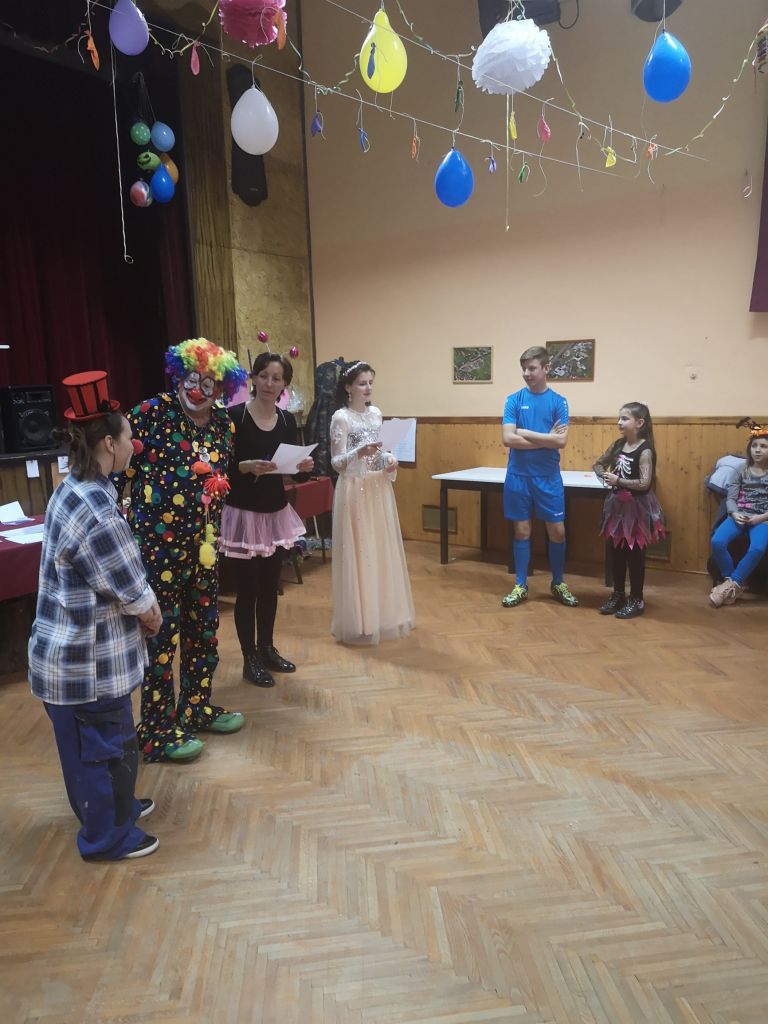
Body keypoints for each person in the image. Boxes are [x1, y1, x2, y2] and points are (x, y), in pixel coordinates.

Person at [29, 371, 162, 860]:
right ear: (108, 443)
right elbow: (134, 593)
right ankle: (107, 837)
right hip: (86, 668)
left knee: (103, 750)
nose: (133, 444)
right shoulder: (99, 510)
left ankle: (116, 808)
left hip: (71, 659)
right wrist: (154, 618)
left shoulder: (75, 487)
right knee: (102, 752)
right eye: (128, 437)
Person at [123, 339, 249, 763]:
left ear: (222, 388)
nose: (197, 389)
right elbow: (118, 472)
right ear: (178, 375)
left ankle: (195, 707)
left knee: (203, 630)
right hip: (157, 550)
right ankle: (155, 730)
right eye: (191, 378)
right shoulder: (149, 414)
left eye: (209, 383)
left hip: (204, 548)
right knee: (161, 638)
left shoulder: (223, 425)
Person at [219, 352, 314, 686]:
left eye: (277, 378)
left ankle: (267, 648)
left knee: (270, 588)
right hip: (243, 514)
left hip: (274, 513)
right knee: (248, 590)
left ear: (284, 384)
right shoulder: (233, 417)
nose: (269, 383)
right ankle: (249, 658)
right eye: (264, 376)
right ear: (253, 378)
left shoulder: (287, 420)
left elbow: (293, 473)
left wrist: (304, 468)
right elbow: (218, 468)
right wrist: (243, 467)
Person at [329, 361, 415, 644]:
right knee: (360, 550)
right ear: (348, 387)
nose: (368, 388)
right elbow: (336, 463)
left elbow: (381, 452)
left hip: (378, 488)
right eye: (362, 383)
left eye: (370, 383)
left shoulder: (376, 414)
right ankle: (360, 619)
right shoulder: (341, 418)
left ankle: (384, 615)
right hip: (355, 489)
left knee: (379, 548)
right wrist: (359, 452)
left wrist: (389, 459)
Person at [501, 346, 578, 608]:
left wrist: (525, 433)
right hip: (518, 476)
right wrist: (547, 439)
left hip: (548, 477)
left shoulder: (559, 402)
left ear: (546, 368)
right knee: (522, 531)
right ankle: (520, 585)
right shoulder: (513, 400)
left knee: (557, 532)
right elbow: (508, 438)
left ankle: (558, 582)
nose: (527, 373)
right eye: (524, 368)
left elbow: (561, 441)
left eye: (532, 368)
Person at [592, 403, 666, 619]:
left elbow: (644, 483)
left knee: (634, 555)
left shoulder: (645, 450)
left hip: (637, 509)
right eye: (619, 418)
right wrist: (604, 476)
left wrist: (619, 480)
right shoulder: (618, 445)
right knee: (616, 552)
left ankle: (636, 598)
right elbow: (598, 464)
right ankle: (618, 594)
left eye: (624, 418)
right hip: (617, 506)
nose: (619, 422)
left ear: (639, 423)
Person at [709, 425, 768, 607]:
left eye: (763, 446)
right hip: (739, 515)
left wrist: (760, 518)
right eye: (754, 446)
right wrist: (734, 513)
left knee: (757, 548)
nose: (758, 450)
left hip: (763, 519)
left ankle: (728, 587)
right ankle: (734, 583)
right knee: (717, 541)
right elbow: (731, 498)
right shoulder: (741, 470)